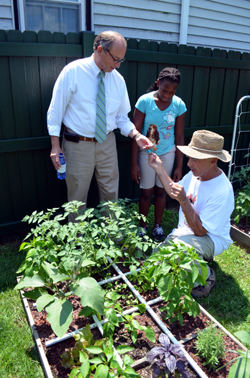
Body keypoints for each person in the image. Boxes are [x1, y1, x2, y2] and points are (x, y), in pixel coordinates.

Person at [47, 31, 153, 221]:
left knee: (111, 193)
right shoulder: (73, 72)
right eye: (116, 59)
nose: (118, 65)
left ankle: (110, 238)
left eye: (122, 60)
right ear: (100, 50)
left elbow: (121, 117)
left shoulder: (118, 80)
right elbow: (56, 110)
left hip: (107, 143)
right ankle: (77, 244)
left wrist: (136, 135)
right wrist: (55, 146)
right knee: (77, 196)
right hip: (77, 144)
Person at [148, 129, 234, 297]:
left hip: (212, 237)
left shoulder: (222, 191)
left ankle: (206, 276)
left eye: (195, 159)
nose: (189, 163)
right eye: (189, 157)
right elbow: (174, 190)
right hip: (189, 233)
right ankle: (199, 259)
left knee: (179, 254)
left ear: (213, 160)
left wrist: (184, 201)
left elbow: (201, 231)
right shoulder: (196, 174)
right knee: (157, 258)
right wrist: (159, 168)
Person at [130, 67, 186, 242]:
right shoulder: (144, 101)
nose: (167, 95)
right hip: (146, 154)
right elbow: (134, 133)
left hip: (168, 153)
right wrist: (134, 163)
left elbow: (179, 136)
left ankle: (158, 226)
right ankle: (143, 226)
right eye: (164, 90)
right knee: (146, 193)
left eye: (172, 92)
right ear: (158, 83)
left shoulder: (179, 105)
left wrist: (179, 165)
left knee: (162, 192)